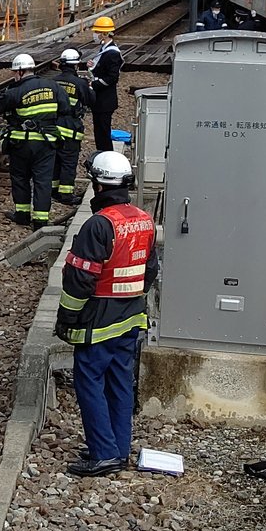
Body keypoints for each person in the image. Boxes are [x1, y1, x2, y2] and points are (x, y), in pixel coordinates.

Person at [58, 150, 158, 477]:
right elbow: (150, 271)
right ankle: (119, 448)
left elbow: (78, 281)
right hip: (131, 316)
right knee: (120, 383)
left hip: (98, 321)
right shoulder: (143, 219)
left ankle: (103, 453)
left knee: (89, 382)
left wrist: (67, 319)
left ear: (97, 184)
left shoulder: (98, 226)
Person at [0, 53, 67, 228]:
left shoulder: (15, 91)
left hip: (21, 144)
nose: (14, 75)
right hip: (47, 143)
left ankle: (22, 215)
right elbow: (65, 108)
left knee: (20, 178)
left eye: (15, 72)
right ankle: (41, 220)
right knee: (43, 180)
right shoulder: (53, 87)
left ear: (21, 72)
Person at [50, 48, 97, 206]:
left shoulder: (53, 81)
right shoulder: (80, 83)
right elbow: (91, 101)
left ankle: (53, 190)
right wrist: (89, 87)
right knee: (68, 162)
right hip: (71, 127)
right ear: (76, 66)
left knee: (55, 160)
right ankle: (66, 195)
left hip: (54, 127)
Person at [86, 16, 123, 153]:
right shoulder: (105, 48)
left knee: (103, 132)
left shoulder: (112, 53)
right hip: (101, 100)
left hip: (105, 100)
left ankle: (106, 154)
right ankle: (101, 153)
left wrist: (94, 84)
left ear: (105, 34)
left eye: (97, 32)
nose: (95, 34)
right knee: (99, 130)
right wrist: (92, 66)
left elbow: (112, 77)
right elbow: (102, 68)